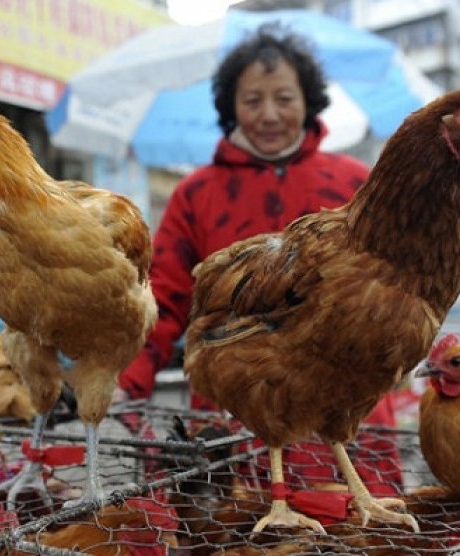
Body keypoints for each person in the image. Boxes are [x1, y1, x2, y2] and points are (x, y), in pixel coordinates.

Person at [116, 24, 403, 495]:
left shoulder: (359, 185)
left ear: (308, 101)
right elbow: (162, 297)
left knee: (361, 534)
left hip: (347, 408)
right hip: (238, 405)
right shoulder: (196, 193)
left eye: (284, 98)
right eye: (252, 100)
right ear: (231, 106)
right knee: (242, 530)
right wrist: (126, 382)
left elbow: (399, 286)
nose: (269, 114)